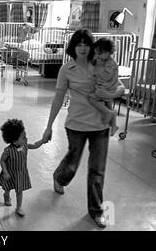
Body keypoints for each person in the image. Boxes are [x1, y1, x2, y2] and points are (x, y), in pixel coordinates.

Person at [41, 29, 110, 228]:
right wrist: (48, 126)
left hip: (100, 125)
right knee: (72, 163)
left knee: (97, 170)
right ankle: (59, 177)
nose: (82, 48)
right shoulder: (66, 69)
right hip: (76, 124)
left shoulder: (101, 66)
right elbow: (58, 98)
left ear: (91, 46)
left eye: (86, 44)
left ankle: (96, 211)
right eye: (78, 44)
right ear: (73, 47)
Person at [0, 119, 43, 217]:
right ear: (14, 140)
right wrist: (5, 172)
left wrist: (42, 141)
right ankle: (6, 195)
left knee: (19, 190)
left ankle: (19, 207)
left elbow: (34, 145)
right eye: (23, 137)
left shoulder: (24, 145)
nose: (26, 139)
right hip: (10, 173)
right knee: (7, 187)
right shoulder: (8, 151)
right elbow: (2, 160)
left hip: (20, 173)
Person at [88, 38, 125, 136]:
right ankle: (114, 126)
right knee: (109, 105)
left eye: (99, 54)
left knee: (92, 98)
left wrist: (98, 68)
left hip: (108, 88)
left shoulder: (111, 64)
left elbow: (106, 76)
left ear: (108, 53)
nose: (97, 56)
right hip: (106, 86)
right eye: (96, 54)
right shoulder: (103, 60)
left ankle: (108, 113)